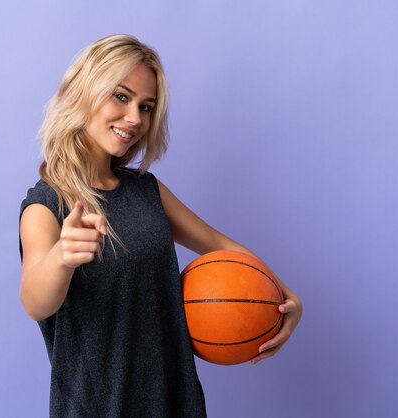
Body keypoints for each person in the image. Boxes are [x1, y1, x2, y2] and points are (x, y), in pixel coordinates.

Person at [19, 34, 302, 418]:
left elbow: (219, 244)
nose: (135, 118)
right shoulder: (47, 205)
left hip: (176, 402)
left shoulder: (147, 191)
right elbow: (35, 302)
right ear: (84, 92)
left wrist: (284, 297)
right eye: (121, 96)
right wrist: (62, 258)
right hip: (98, 409)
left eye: (146, 106)